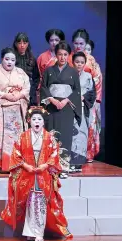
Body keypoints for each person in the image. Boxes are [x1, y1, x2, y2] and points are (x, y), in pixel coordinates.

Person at [0, 106, 73, 241]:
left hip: (43, 174)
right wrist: (26, 166)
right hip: (28, 174)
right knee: (30, 202)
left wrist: (45, 166)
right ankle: (29, 232)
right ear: (29, 121)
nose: (36, 121)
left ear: (43, 122)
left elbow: (54, 154)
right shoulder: (23, 136)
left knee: (40, 203)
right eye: (34, 119)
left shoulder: (49, 137)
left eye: (39, 119)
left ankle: (38, 233)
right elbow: (16, 154)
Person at [0, 47, 30, 173]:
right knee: (1, 137)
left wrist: (19, 95)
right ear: (2, 59)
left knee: (16, 138)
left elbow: (26, 88)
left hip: (17, 110)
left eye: (13, 60)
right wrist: (5, 95)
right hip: (2, 111)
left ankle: (17, 163)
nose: (9, 62)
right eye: (7, 59)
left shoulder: (21, 73)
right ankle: (0, 164)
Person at [39, 41, 82, 177]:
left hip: (66, 108)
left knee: (65, 137)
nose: (62, 57)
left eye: (65, 54)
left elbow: (77, 91)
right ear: (55, 55)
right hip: (52, 107)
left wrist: (66, 100)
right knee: (51, 135)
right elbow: (44, 88)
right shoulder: (49, 71)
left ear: (68, 55)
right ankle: (51, 167)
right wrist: (52, 99)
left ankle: (63, 168)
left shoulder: (73, 72)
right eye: (60, 54)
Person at [68, 29, 103, 163]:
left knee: (88, 125)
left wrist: (96, 99)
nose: (78, 46)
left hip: (88, 98)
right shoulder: (69, 58)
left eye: (81, 43)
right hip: (71, 97)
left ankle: (87, 153)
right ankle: (72, 153)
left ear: (86, 43)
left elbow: (98, 80)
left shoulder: (90, 60)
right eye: (76, 43)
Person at [71, 51, 96, 170]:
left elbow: (92, 93)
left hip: (82, 107)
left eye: (82, 62)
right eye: (77, 62)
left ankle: (79, 162)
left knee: (81, 134)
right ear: (72, 62)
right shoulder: (69, 75)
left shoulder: (88, 76)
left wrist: (83, 97)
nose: (79, 64)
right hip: (70, 107)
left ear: (85, 63)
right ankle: (70, 161)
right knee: (72, 133)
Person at [36, 29, 65, 102]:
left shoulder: (67, 56)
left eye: (56, 40)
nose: (54, 43)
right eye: (51, 40)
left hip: (64, 91)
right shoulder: (42, 57)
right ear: (48, 41)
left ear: (61, 41)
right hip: (46, 90)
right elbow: (38, 77)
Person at [12, 32, 40, 105]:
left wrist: (32, 89)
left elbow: (36, 78)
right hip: (15, 91)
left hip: (30, 93)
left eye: (24, 43)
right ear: (15, 44)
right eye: (19, 43)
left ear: (27, 44)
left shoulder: (32, 59)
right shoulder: (11, 59)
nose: (22, 45)